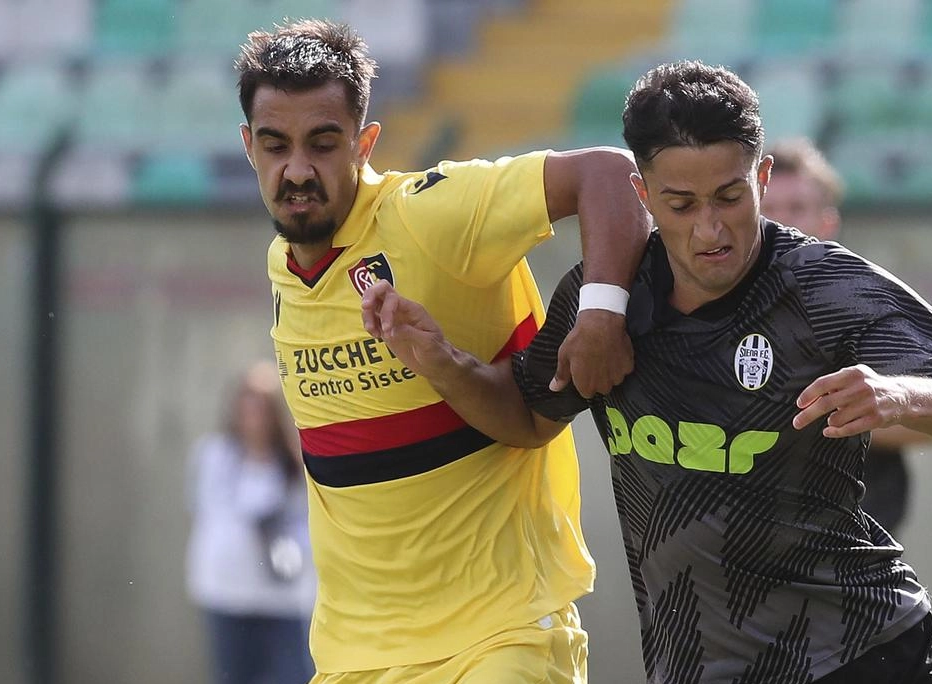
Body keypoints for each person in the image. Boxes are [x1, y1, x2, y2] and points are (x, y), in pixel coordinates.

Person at [362, 61, 932, 683]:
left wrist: (898, 392)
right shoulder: (606, 302)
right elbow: (528, 418)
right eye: (681, 204)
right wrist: (438, 360)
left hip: (858, 655)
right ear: (643, 194)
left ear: (760, 180)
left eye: (730, 197)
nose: (710, 229)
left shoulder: (823, 287)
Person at [235, 18, 651, 684]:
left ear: (365, 142)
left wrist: (602, 316)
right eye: (275, 146)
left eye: (322, 144)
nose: (298, 171)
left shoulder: (429, 216)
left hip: (497, 636)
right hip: (354, 656)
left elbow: (610, 174)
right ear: (248, 146)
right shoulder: (284, 265)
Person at [760, 137, 931, 535]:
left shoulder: (868, 309)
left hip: (856, 540)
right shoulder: (710, 309)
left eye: (797, 208)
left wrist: (840, 412)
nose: (782, 223)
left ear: (827, 223)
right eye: (768, 209)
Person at [186, 360, 316, 684]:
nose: (253, 413)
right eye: (247, 402)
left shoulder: (295, 462)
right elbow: (209, 515)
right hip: (227, 593)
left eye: (262, 404)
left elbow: (307, 521)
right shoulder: (215, 455)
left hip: (282, 598)